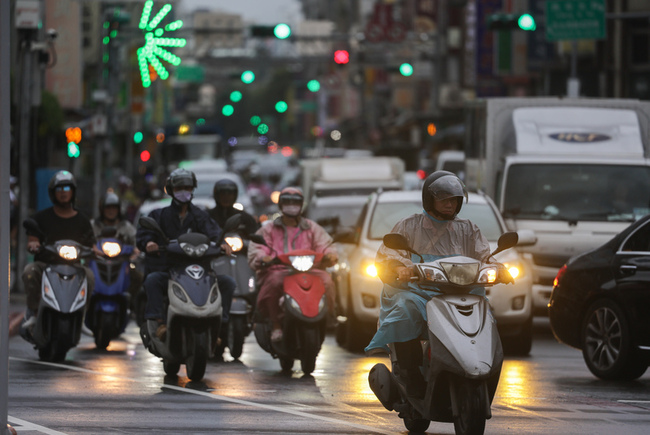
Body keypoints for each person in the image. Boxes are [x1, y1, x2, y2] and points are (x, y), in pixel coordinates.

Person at [364, 171, 493, 398]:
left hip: (461, 291)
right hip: (419, 291)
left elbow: (485, 256)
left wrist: (496, 267)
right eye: (444, 199)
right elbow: (388, 253)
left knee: (488, 315)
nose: (449, 204)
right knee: (405, 308)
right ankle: (410, 372)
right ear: (429, 199)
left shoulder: (468, 229)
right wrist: (399, 268)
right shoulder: (408, 226)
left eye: (454, 200)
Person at [136, 168, 236, 340]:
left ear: (193, 190)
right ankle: (159, 322)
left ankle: (220, 325)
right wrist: (149, 243)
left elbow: (214, 234)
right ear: (171, 191)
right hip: (168, 269)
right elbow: (145, 234)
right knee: (152, 280)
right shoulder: (159, 215)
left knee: (228, 283)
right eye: (179, 188)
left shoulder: (200, 216)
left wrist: (224, 244)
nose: (184, 192)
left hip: (200, 271)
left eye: (188, 188)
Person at [247, 187, 337, 342]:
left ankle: (327, 316)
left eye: (295, 202)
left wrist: (329, 254)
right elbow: (258, 249)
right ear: (281, 205)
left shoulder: (312, 227)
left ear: (301, 205)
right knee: (274, 281)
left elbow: (324, 244)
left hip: (310, 271)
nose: (291, 205)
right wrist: (263, 258)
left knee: (327, 281)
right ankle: (276, 324)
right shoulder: (268, 228)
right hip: (279, 270)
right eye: (287, 202)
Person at [21, 170, 96, 330]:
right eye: (59, 189)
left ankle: (81, 316)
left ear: (73, 192)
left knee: (89, 276)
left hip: (74, 267)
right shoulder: (41, 217)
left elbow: (91, 244)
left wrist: (99, 251)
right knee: (30, 270)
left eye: (67, 189)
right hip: (46, 265)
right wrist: (33, 245)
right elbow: (32, 239)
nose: (63, 193)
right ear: (53, 193)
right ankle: (34, 312)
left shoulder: (82, 219)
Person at [91, 191, 143, 299]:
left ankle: (132, 307)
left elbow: (136, 242)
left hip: (121, 264)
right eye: (108, 208)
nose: (111, 211)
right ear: (102, 210)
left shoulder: (126, 226)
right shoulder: (94, 225)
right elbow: (85, 241)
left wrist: (136, 252)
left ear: (119, 209)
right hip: (97, 264)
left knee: (139, 278)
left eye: (114, 208)